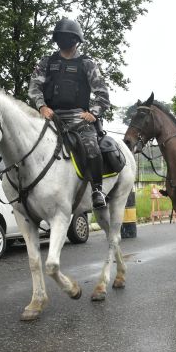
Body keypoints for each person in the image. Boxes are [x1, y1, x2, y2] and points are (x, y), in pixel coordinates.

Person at [28, 18, 110, 209]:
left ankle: (97, 190)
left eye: (67, 37)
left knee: (92, 148)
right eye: (60, 37)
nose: (64, 40)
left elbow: (102, 94)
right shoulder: (47, 62)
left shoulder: (87, 64)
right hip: (50, 115)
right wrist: (41, 106)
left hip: (78, 118)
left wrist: (93, 113)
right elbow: (34, 87)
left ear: (76, 40)